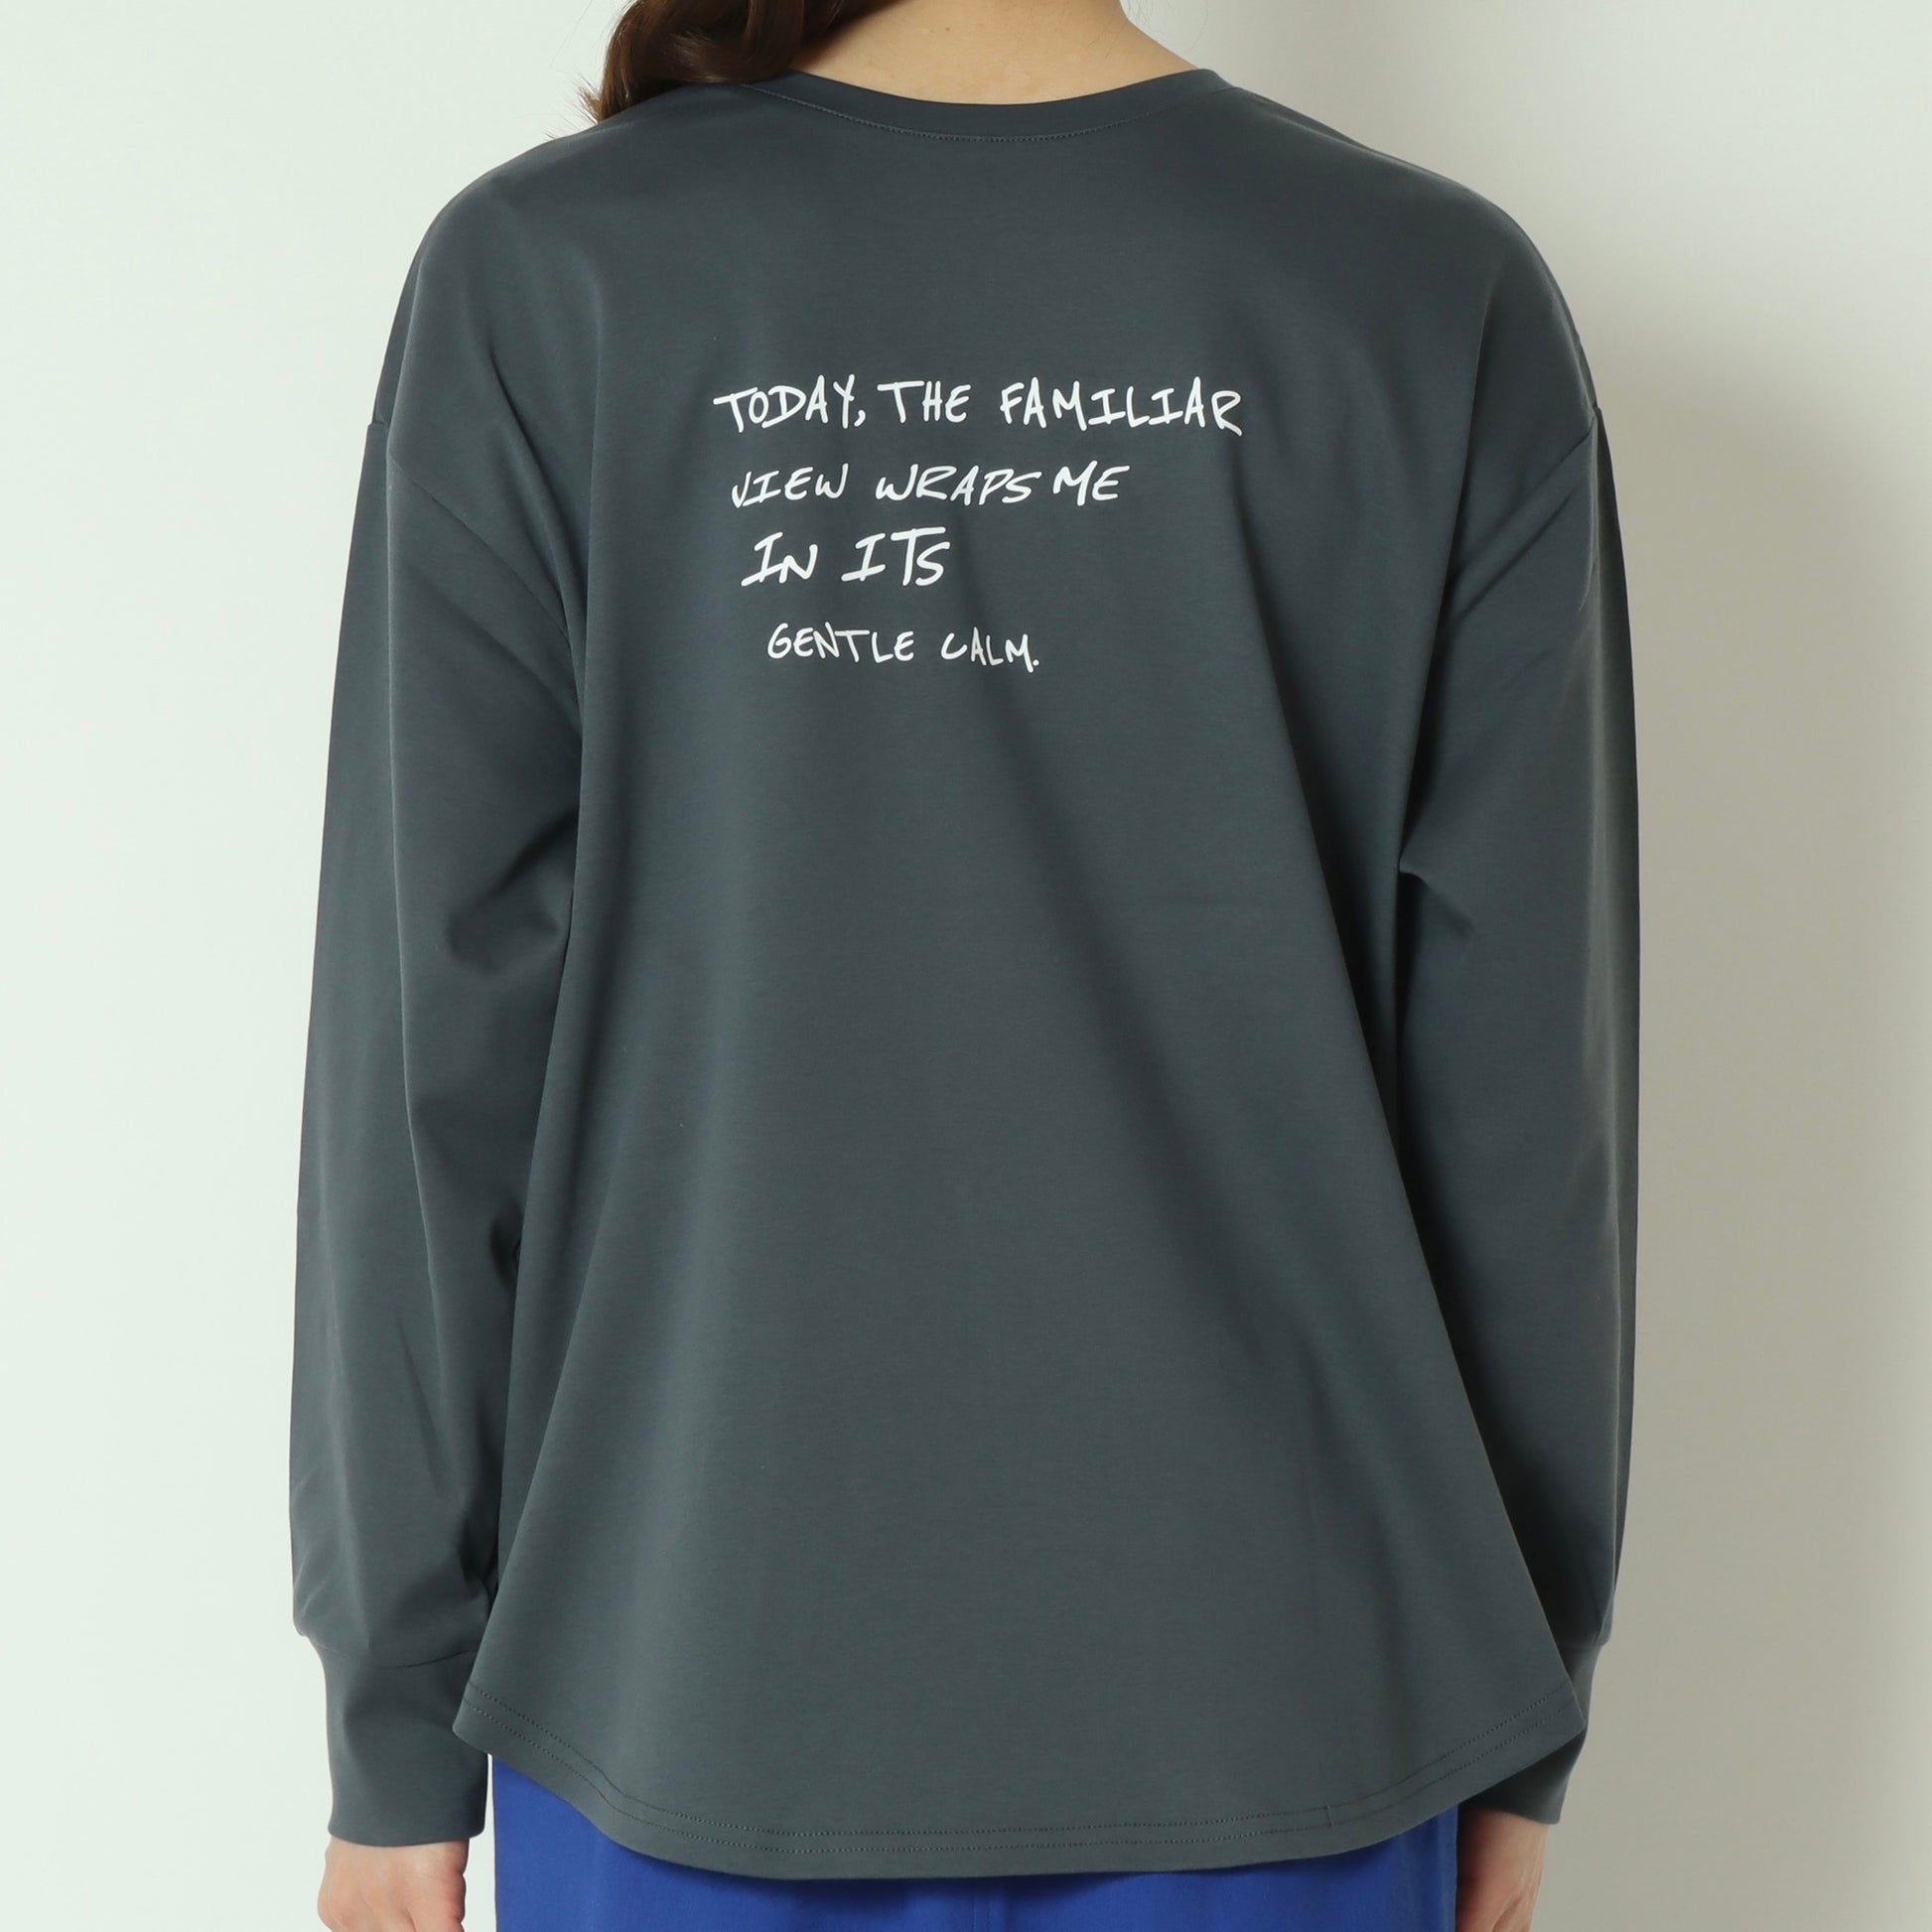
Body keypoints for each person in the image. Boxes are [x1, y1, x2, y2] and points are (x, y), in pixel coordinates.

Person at [288, 2, 1639, 1929]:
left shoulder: (550, 272)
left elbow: (430, 1057)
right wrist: (1520, 1699)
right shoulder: (1429, 289)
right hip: (1293, 1694)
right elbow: (1523, 1107)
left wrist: (396, 1715)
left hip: (686, 1675)